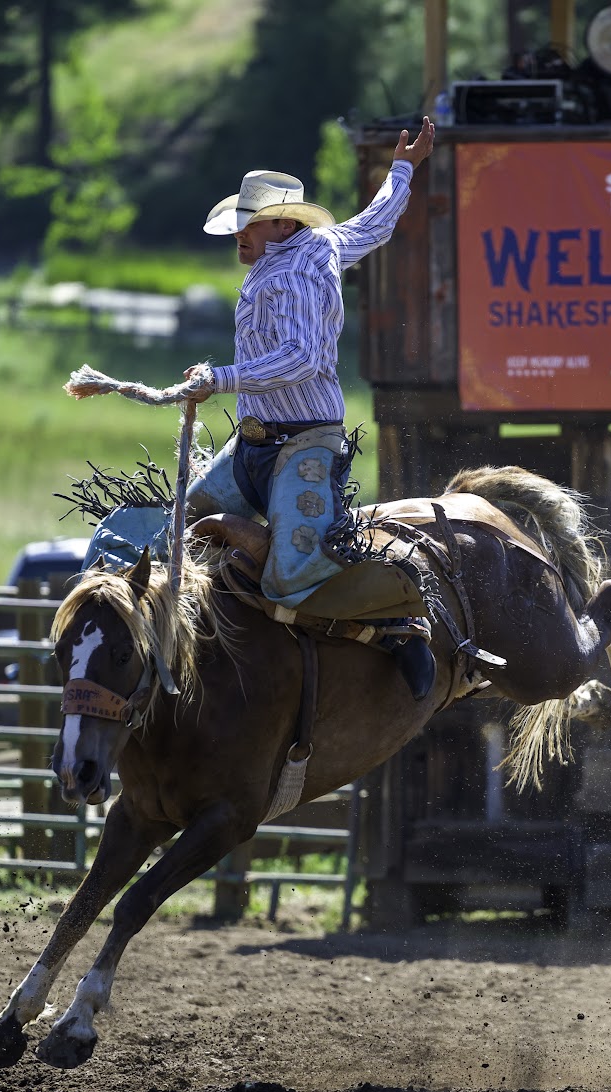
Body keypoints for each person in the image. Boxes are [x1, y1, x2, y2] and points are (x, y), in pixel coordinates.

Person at [178, 119, 438, 697]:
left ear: (281, 223)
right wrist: (403, 169)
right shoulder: (316, 248)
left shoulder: (298, 269)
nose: (239, 235)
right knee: (183, 529)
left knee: (294, 570)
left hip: (304, 444)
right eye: (239, 226)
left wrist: (219, 378)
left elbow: (301, 359)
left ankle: (401, 626)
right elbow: (373, 225)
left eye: (249, 225)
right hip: (254, 446)